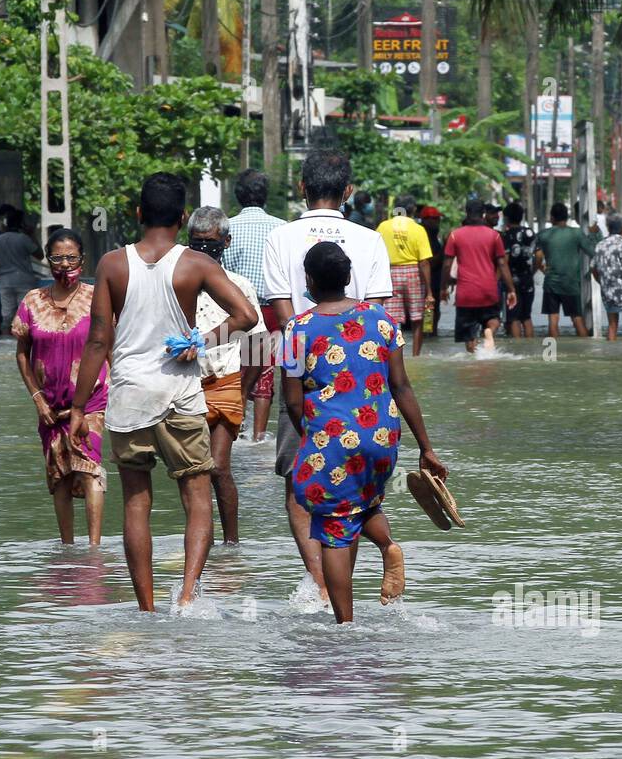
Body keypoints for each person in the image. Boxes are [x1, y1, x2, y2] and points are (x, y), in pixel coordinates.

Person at [69, 173, 257, 612]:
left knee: (136, 501)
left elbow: (98, 340)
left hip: (130, 394)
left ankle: (147, 608)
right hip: (180, 394)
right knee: (196, 496)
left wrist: (78, 407)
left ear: (138, 214)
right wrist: (203, 342)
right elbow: (245, 315)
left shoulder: (113, 264)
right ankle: (188, 596)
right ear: (183, 217)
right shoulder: (196, 264)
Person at [281, 241, 447, 624]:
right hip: (381, 437)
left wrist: (311, 439)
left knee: (333, 527)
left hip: (332, 437)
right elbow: (402, 386)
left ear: (308, 280)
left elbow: (292, 401)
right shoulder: (379, 318)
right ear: (348, 278)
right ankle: (387, 545)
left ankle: (345, 626)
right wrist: (426, 448)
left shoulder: (296, 329)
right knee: (360, 502)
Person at [263, 148, 393, 604]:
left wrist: (301, 366)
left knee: (299, 480)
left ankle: (321, 584)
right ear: (349, 191)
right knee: (354, 481)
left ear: (302, 188)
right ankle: (344, 584)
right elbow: (378, 316)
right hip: (363, 382)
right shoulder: (370, 238)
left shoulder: (280, 238)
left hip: (305, 373)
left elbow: (283, 313)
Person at [12, 228, 107, 546]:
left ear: (82, 259)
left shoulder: (97, 299)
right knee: (60, 478)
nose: (65, 265)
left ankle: (94, 548)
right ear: (48, 260)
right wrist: (37, 399)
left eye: (71, 258)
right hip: (50, 407)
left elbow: (111, 347)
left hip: (91, 401)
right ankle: (67, 548)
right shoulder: (32, 301)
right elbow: (22, 354)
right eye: (57, 258)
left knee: (90, 469)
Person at [187, 206, 267, 545]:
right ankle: (199, 541)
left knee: (218, 468)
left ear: (226, 243)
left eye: (212, 244)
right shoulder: (177, 283)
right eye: (197, 244)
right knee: (193, 472)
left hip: (226, 383)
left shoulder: (239, 286)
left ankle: (230, 544)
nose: (205, 251)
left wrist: (242, 390)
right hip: (186, 385)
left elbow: (259, 345)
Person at [223, 168, 287, 442]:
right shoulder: (282, 228)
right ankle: (259, 436)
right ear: (265, 196)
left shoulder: (226, 228)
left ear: (238, 196)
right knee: (266, 371)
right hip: (274, 310)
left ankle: (231, 431)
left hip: (233, 311)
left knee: (233, 369)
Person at [442, 198, 517, 353]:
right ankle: (489, 331)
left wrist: (443, 288)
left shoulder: (455, 235)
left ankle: (474, 365)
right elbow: (503, 264)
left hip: (466, 293)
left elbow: (447, 265)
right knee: (494, 320)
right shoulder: (494, 236)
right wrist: (511, 290)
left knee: (469, 338)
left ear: (467, 213)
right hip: (488, 290)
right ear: (483, 214)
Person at [376, 194, 436, 356]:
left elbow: (376, 255)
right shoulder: (418, 229)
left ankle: (395, 358)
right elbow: (424, 262)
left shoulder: (383, 227)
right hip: (413, 273)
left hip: (390, 273)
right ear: (413, 209)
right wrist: (429, 292)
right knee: (417, 318)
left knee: (392, 320)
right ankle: (416, 356)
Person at [535, 202, 593, 337]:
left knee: (553, 321)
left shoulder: (543, 235)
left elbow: (538, 258)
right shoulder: (577, 234)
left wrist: (542, 269)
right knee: (577, 319)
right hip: (571, 283)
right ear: (567, 217)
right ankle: (588, 352)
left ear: (552, 218)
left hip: (551, 283)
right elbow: (592, 252)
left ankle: (554, 354)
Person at [0, 208, 42, 334]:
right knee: (26, 316)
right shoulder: (24, 239)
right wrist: (32, 235)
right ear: (21, 224)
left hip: (6, 282)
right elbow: (40, 255)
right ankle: (25, 346)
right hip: (25, 282)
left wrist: (5, 260)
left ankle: (5, 342)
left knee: (7, 317)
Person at [591, 214, 622, 341]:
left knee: (612, 325)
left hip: (607, 291)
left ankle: (610, 353)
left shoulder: (600, 245)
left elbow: (593, 268)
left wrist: (602, 283)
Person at [500, 201, 538, 338]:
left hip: (512, 282)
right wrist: (532, 271)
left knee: (514, 318)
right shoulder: (530, 233)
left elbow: (504, 261)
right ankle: (529, 346)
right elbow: (539, 256)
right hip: (528, 280)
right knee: (526, 317)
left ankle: (518, 349)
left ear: (507, 218)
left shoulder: (506, 235)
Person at [419, 205, 445, 335]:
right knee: (428, 310)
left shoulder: (434, 237)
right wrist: (443, 253)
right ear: (425, 220)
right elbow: (426, 262)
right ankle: (428, 333)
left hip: (435, 280)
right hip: (427, 281)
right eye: (435, 219)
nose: (437, 222)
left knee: (433, 310)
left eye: (438, 219)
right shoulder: (424, 236)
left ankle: (430, 333)